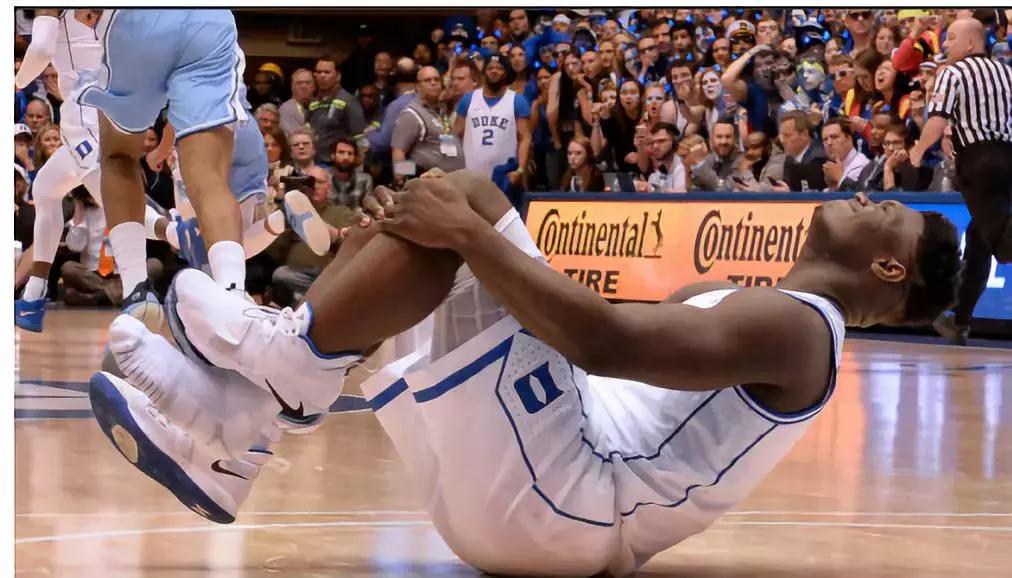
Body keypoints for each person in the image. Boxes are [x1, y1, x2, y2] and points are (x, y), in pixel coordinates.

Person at [90, 169, 960, 576]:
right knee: (418, 228)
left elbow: (607, 343)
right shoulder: (740, 299)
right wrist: (436, 239)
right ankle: (248, 423)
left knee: (464, 203)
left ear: (890, 269)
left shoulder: (805, 330)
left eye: (888, 212)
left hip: (573, 498)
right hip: (539, 492)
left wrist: (470, 234)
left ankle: (283, 373)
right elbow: (575, 326)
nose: (868, 195)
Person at [73, 9, 256, 337]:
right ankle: (233, 294)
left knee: (118, 155)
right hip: (207, 22)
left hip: (136, 20)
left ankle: (136, 291)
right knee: (209, 177)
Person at [908, 17, 1012, 344]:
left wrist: (918, 150)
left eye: (951, 38)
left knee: (1006, 245)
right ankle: (962, 321)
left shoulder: (953, 73)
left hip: (979, 162)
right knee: (979, 239)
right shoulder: (1007, 72)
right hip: (1008, 157)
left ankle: (961, 320)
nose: (946, 44)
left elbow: (938, 119)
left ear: (971, 43)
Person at [14, 9, 106, 332]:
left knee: (122, 211)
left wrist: (16, 82)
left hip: (88, 119)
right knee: (45, 189)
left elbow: (39, 50)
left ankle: (176, 233)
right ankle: (33, 296)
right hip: (103, 114)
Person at [455, 54, 532, 204]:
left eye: (499, 68)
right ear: (484, 72)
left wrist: (520, 170)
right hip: (470, 175)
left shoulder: (517, 101)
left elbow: (525, 138)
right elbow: (456, 134)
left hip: (504, 176)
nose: (494, 71)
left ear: (506, 73)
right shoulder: (468, 100)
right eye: (490, 68)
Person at [307, 54, 367, 165]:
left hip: (338, 166)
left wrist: (358, 166)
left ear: (338, 76)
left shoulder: (349, 102)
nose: (322, 76)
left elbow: (360, 138)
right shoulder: (313, 102)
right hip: (314, 163)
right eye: (319, 72)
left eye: (327, 72)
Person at [821, 117, 871, 192]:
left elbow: (858, 197)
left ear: (849, 138)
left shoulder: (862, 166)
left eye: (834, 137)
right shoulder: (829, 167)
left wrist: (840, 178)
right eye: (825, 139)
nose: (829, 143)